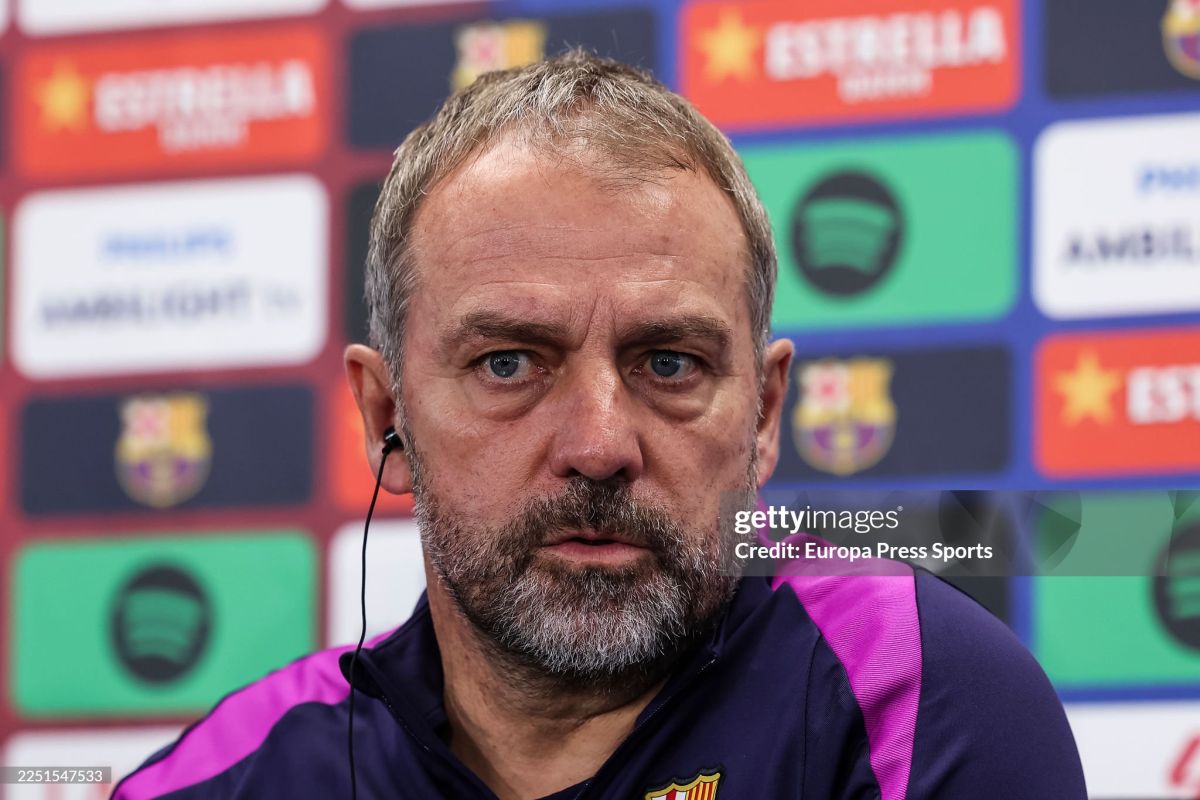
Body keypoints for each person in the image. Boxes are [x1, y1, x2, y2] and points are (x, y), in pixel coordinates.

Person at [114, 51, 1086, 800]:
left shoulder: (916, 697)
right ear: (385, 416)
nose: (600, 445)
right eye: (509, 364)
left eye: (670, 363)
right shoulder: (220, 782)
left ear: (763, 414)